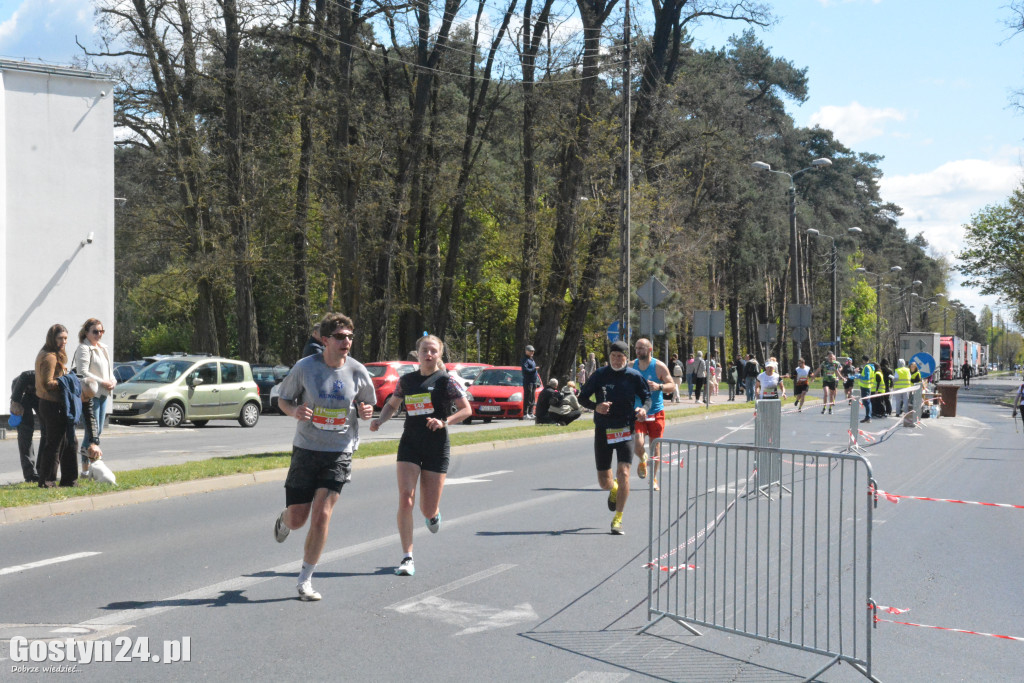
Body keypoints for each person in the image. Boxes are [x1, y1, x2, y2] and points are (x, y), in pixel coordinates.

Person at [272, 313, 376, 601]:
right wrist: (294, 411)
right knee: (298, 518)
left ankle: (305, 580)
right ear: (326, 339)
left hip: (339, 451)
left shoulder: (357, 370)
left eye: (350, 337)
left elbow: (368, 403)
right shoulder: (305, 367)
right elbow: (283, 399)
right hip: (306, 448)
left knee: (322, 515)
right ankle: (284, 520)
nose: (347, 342)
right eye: (341, 337)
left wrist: (367, 411)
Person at [371, 335, 471, 577]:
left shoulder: (446, 381)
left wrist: (444, 421)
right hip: (410, 444)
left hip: (436, 446)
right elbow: (393, 404)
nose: (429, 354)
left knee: (427, 509)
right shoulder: (407, 381)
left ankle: (433, 514)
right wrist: (380, 420)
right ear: (417, 353)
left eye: (433, 351)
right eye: (424, 350)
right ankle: (407, 557)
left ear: (439, 355)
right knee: (406, 499)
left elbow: (466, 410)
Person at [578, 341, 651, 535]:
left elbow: (647, 397)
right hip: (603, 429)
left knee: (624, 472)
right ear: (609, 357)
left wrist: (643, 410)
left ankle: (618, 519)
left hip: (626, 429)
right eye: (613, 357)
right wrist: (596, 407)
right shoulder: (600, 375)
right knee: (604, 481)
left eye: (620, 357)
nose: (617, 360)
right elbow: (582, 397)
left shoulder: (634, 376)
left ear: (627, 359)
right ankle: (613, 487)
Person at [35, 324, 80, 488]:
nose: (64, 341)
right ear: (52, 338)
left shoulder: (50, 354)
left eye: (66, 338)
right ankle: (47, 481)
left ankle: (69, 480)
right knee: (55, 444)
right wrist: (66, 380)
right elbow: (47, 383)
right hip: (52, 405)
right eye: (60, 338)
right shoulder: (50, 357)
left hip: (54, 404)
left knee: (70, 442)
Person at [72, 318, 116, 478]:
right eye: (95, 331)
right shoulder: (84, 348)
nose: (99, 334)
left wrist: (113, 381)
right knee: (91, 434)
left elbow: (110, 370)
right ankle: (85, 470)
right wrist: (102, 381)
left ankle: (91, 467)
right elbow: (83, 372)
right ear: (86, 332)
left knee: (99, 430)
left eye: (101, 331)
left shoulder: (103, 348)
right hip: (91, 393)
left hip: (104, 393)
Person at [632, 338, 675, 492]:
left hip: (656, 412)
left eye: (641, 348)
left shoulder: (658, 367)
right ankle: (643, 459)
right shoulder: (632, 366)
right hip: (638, 412)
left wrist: (659, 386)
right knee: (638, 444)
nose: (638, 351)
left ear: (650, 349)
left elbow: (672, 386)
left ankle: (653, 478)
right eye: (636, 348)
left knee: (655, 447)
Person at [9, 370, 43, 482]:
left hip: (39, 394)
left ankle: (43, 470)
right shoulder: (40, 374)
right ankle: (30, 474)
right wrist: (15, 402)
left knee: (47, 430)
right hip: (21, 391)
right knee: (25, 431)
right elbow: (25, 375)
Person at [521, 345, 539, 419]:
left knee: (532, 398)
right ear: (526, 351)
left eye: (533, 351)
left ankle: (531, 413)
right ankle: (525, 414)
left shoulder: (531, 359)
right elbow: (525, 370)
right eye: (530, 351)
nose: (532, 352)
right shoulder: (525, 360)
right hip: (528, 381)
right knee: (527, 397)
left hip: (533, 381)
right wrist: (534, 369)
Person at [858, 356, 875, 423]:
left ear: (864, 360)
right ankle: (868, 416)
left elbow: (866, 377)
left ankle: (868, 417)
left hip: (865, 386)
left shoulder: (867, 367)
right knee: (867, 402)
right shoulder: (871, 367)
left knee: (866, 402)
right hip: (868, 386)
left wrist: (859, 376)